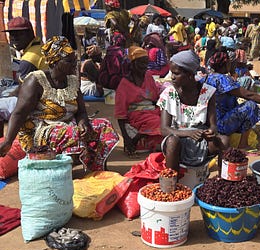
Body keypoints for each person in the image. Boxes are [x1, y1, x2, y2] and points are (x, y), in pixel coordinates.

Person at [0, 36, 119, 171]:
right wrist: (8, 141)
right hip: (40, 131)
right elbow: (19, 113)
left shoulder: (73, 81)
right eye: (69, 61)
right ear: (54, 62)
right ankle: (66, 171)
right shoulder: (36, 81)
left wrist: (83, 122)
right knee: (72, 133)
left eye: (74, 60)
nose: (75, 64)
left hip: (69, 125)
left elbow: (81, 111)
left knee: (104, 126)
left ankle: (96, 168)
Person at [157, 50, 225, 172]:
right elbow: (164, 129)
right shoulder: (169, 94)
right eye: (171, 73)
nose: (171, 77)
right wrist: (189, 133)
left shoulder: (208, 92)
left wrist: (211, 132)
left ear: (189, 75)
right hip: (177, 139)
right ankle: (171, 184)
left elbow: (213, 125)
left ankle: (222, 181)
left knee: (223, 141)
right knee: (173, 141)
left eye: (176, 73)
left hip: (201, 140)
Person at [204, 49, 260, 150]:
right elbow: (249, 95)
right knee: (251, 105)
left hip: (210, 122)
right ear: (226, 64)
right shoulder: (222, 79)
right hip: (221, 124)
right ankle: (243, 145)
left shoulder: (208, 77)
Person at [115, 46, 162, 155]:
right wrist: (126, 139)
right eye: (141, 64)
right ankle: (137, 138)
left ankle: (141, 137)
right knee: (158, 122)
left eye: (146, 63)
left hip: (152, 110)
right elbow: (120, 114)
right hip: (136, 114)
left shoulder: (148, 76)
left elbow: (155, 98)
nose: (145, 67)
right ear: (132, 64)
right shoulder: (124, 84)